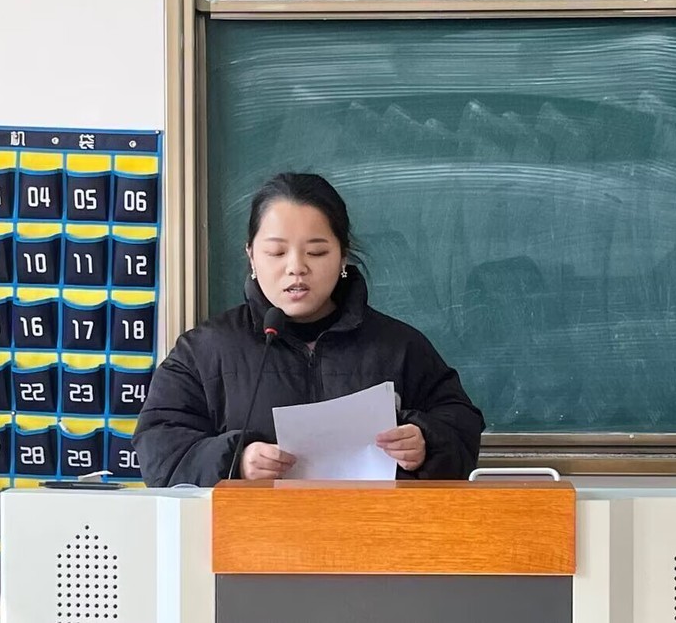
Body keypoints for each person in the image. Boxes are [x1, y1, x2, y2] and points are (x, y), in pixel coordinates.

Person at [133, 172, 485, 487]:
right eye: (276, 253)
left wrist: (425, 442)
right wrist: (236, 461)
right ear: (251, 256)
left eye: (316, 253)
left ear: (343, 256)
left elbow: (461, 426)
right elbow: (159, 447)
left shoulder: (399, 346)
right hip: (251, 538)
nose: (296, 268)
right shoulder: (205, 350)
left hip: (374, 535)